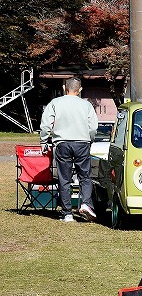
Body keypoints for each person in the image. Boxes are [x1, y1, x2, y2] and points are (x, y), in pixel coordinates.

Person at [39, 76, 99, 222]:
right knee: (85, 176)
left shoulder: (55, 103)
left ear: (64, 88)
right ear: (80, 90)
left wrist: (44, 141)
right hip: (82, 143)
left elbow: (46, 124)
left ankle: (67, 213)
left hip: (62, 143)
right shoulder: (86, 105)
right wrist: (90, 139)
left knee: (64, 178)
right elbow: (93, 127)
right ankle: (85, 203)